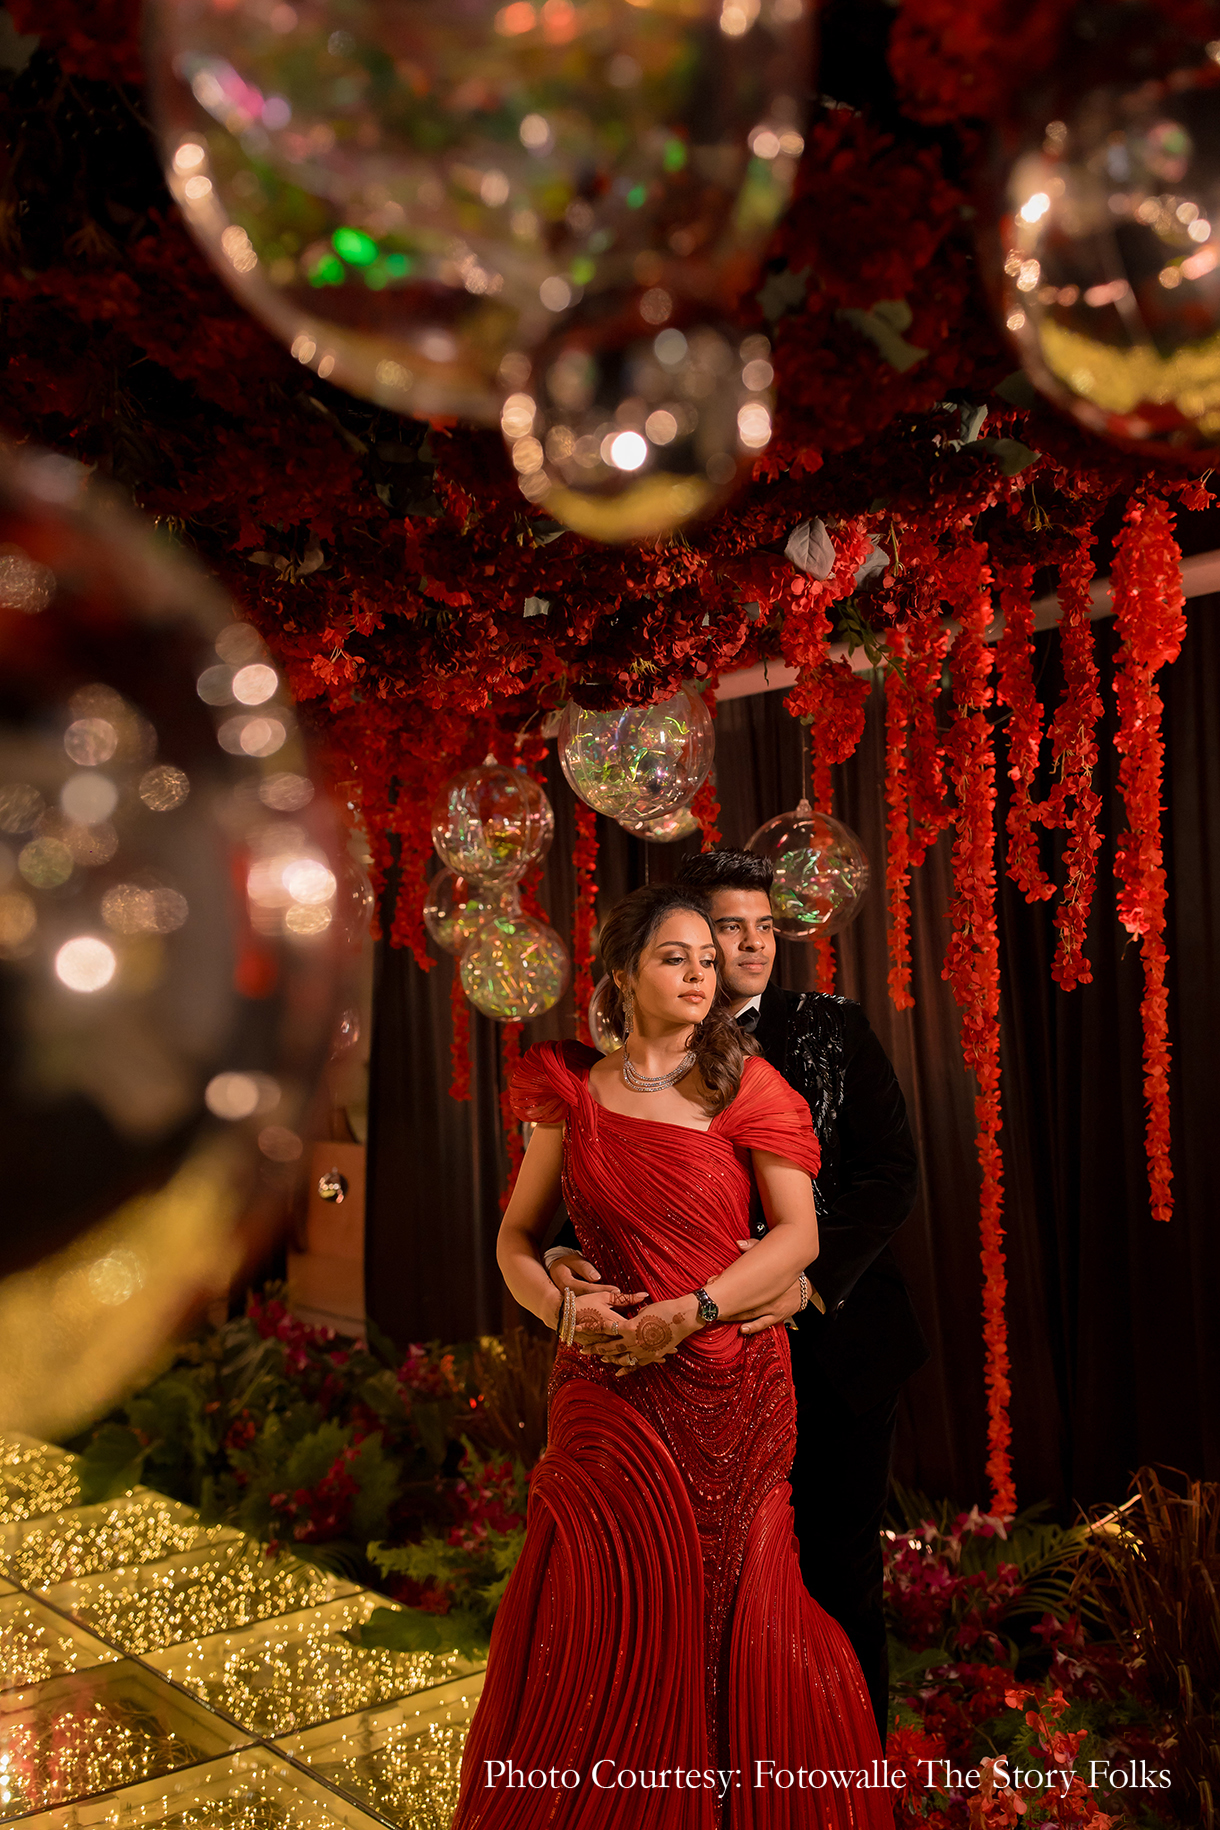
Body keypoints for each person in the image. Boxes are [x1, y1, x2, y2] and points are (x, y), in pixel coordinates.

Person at [450, 885, 894, 1830]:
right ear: (622, 974)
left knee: (733, 1605)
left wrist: (692, 1313)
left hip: (730, 1387)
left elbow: (799, 1237)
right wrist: (560, 1310)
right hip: (603, 1395)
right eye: (674, 957)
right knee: (595, 1602)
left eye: (707, 958)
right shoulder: (569, 1090)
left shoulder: (748, 1087)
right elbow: (516, 1239)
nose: (700, 973)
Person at [547, 850, 927, 1740]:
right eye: (729, 929)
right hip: (683, 1368)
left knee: (833, 1574)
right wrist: (563, 1253)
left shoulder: (830, 1028)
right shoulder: (629, 1060)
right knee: (698, 1586)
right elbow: (612, 1177)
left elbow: (889, 1176)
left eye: (765, 927)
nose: (753, 945)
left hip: (835, 1348)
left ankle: (844, 1773)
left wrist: (805, 1281)